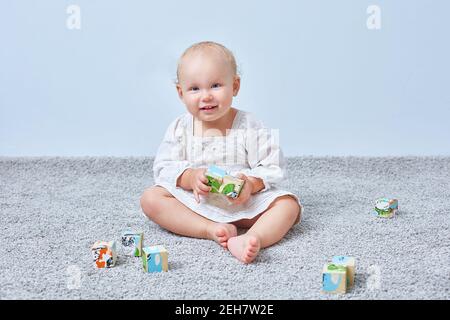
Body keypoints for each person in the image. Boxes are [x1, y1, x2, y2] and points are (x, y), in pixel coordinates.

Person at [140, 41, 303, 264]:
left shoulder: (249, 124)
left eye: (216, 85)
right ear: (181, 93)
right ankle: (211, 229)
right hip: (199, 204)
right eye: (194, 89)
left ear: (235, 86)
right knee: (151, 198)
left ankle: (253, 237)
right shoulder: (180, 127)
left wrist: (250, 184)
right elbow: (163, 168)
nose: (205, 96)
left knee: (288, 205)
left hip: (245, 203)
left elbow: (273, 165)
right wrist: (189, 177)